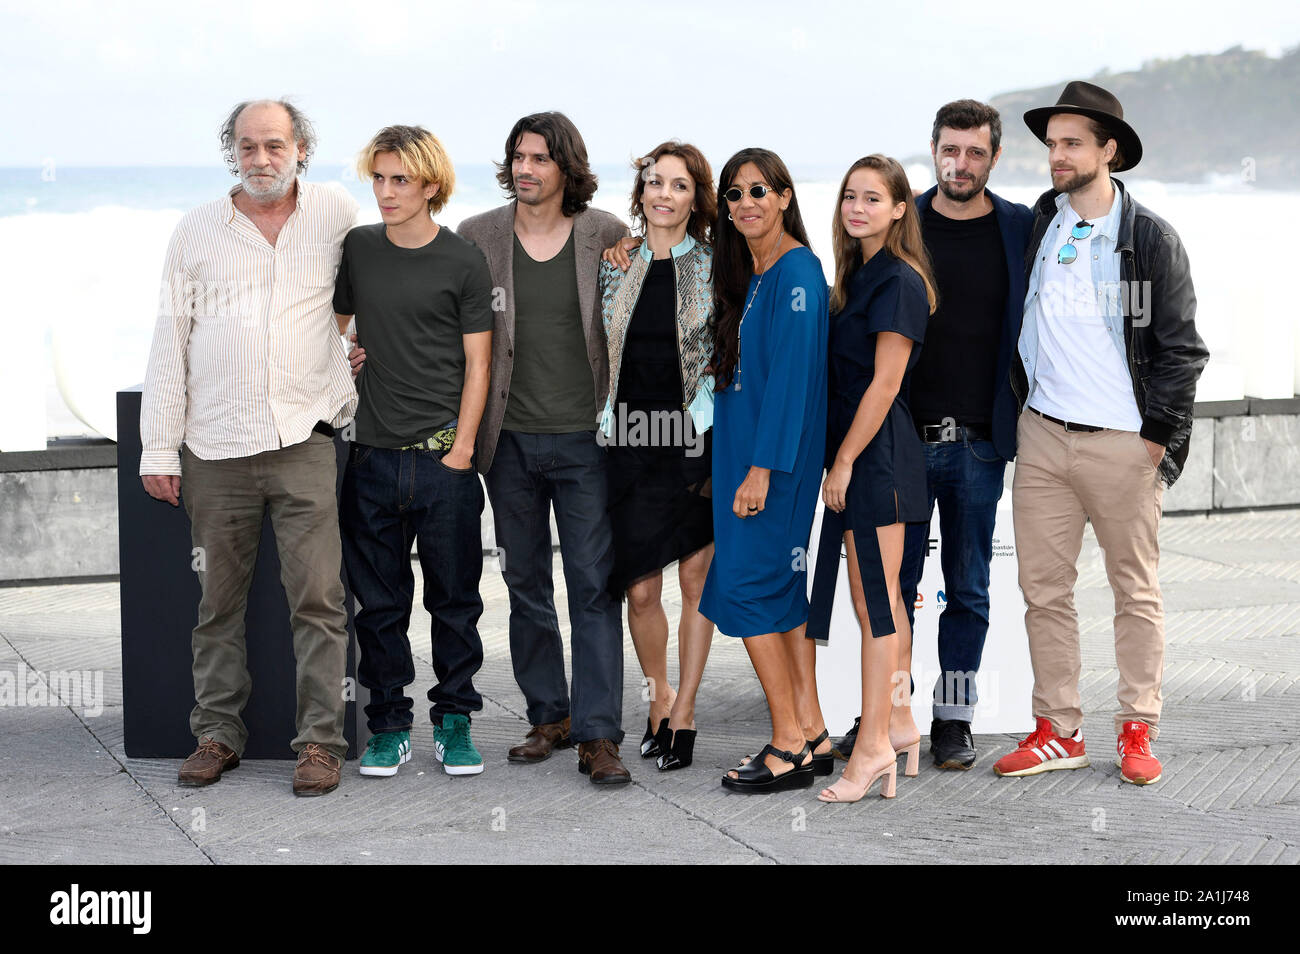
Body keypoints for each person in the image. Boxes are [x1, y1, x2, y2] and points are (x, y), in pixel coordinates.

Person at [140, 99, 357, 797]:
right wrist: (158, 449)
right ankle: (216, 735)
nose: (260, 158)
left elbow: (382, 286)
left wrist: (358, 346)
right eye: (247, 146)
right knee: (218, 604)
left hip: (305, 438)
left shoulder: (335, 212)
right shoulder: (197, 229)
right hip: (215, 447)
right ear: (231, 151)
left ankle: (320, 744)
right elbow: (170, 339)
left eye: (274, 145)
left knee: (320, 600)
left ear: (301, 148)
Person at [995, 81, 1208, 785]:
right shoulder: (1041, 222)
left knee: (1134, 590)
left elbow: (1182, 350)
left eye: (1071, 143)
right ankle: (1059, 729)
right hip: (1044, 440)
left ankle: (1137, 727)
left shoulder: (1148, 238)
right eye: (1052, 143)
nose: (1056, 155)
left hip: (1123, 444)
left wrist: (1153, 439)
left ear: (1108, 151)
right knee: (1044, 591)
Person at [833, 102, 1033, 772]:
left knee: (969, 587)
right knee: (897, 589)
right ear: (933, 150)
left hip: (980, 442)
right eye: (950, 150)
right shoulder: (903, 226)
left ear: (993, 158)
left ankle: (954, 718)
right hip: (906, 442)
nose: (961, 164)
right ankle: (888, 716)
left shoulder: (1019, 229)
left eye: (975, 153)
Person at [456, 112, 633, 785]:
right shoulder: (478, 238)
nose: (526, 169)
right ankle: (550, 716)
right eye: (518, 157)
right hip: (508, 443)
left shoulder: (605, 234)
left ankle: (598, 734)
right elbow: (449, 329)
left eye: (539, 159)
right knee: (524, 581)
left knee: (593, 586)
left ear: (567, 167)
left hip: (586, 443)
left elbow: (644, 309)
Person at [333, 126, 493, 779]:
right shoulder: (359, 249)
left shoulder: (462, 260)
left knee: (456, 604)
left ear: (431, 184)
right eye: (379, 178)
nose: (387, 192)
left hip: (442, 464)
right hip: (369, 458)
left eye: (401, 179)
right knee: (379, 607)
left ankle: (454, 724)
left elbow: (478, 365)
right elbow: (331, 327)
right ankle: (389, 727)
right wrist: (342, 358)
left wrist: (461, 452)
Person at [698, 148, 831, 794]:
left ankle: (786, 744)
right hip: (743, 458)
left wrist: (762, 471)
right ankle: (812, 730)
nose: (745, 202)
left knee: (747, 592)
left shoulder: (798, 272)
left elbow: (793, 385)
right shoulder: (751, 274)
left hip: (771, 465)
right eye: (733, 194)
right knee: (775, 595)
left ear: (783, 196)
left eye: (759, 190)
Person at [808, 155, 937, 802]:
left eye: (871, 198)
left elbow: (886, 385)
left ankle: (872, 747)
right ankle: (903, 722)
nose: (856, 207)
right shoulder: (857, 276)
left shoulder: (898, 282)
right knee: (873, 604)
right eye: (849, 197)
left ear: (897, 208)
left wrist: (846, 460)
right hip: (867, 457)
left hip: (879, 459)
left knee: (878, 607)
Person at [597, 141, 717, 771]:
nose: (664, 194)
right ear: (641, 191)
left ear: (696, 197)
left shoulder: (717, 266)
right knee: (641, 592)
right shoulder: (616, 263)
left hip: (694, 444)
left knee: (697, 581)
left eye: (679, 185)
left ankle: (687, 709)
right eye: (655, 182)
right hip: (629, 443)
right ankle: (657, 697)